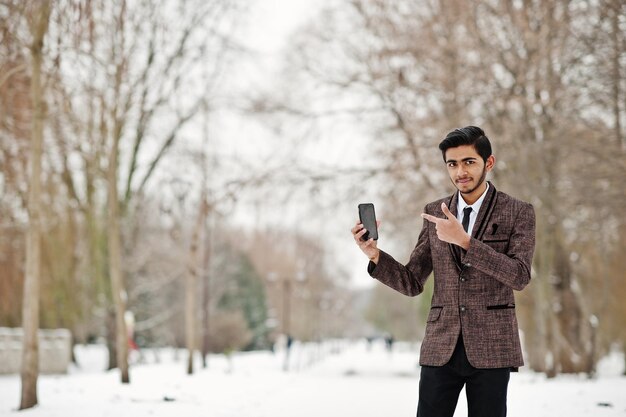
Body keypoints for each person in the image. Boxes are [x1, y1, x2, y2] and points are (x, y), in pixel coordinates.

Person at [351, 126, 535, 417]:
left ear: (489, 162)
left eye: (469, 162)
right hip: (441, 344)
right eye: (453, 164)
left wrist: (465, 241)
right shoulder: (434, 212)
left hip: (493, 345)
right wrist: (374, 255)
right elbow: (412, 281)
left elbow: (520, 275)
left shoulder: (518, 212)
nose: (460, 171)